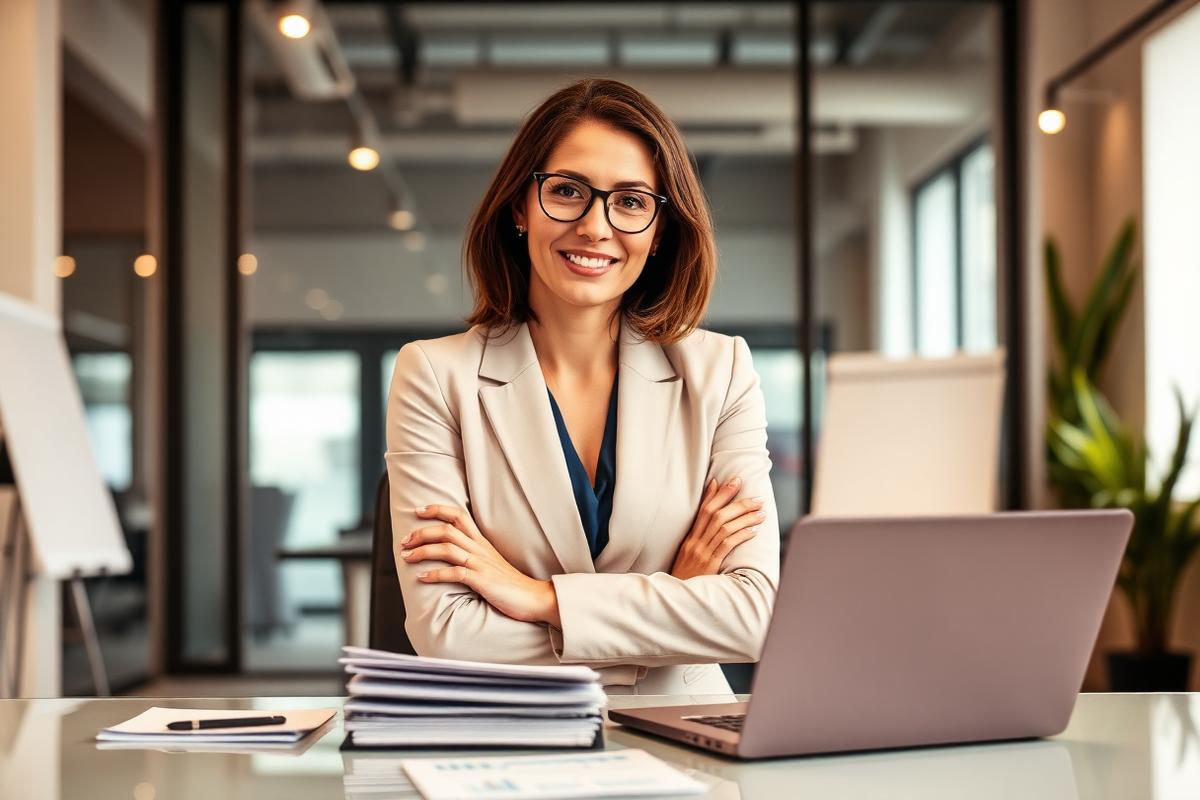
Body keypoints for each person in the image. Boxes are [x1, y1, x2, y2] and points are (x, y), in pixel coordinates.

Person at [386, 78, 779, 694]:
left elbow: (754, 616)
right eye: (567, 191)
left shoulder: (721, 370)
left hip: (682, 735)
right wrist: (674, 603)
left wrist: (537, 598)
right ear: (520, 206)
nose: (596, 227)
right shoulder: (435, 374)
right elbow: (448, 630)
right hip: (513, 737)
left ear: (659, 231)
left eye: (630, 201)